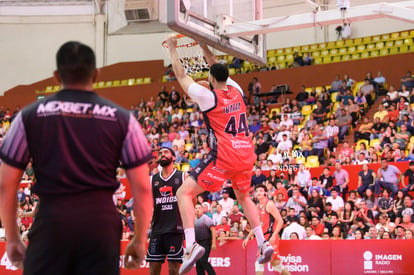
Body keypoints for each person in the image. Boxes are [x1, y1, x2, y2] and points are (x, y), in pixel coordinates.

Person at [0, 41, 153, 273]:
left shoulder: (28, 117)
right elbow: (142, 187)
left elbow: (5, 185)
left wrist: (12, 238)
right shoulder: (122, 119)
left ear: (55, 76)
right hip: (100, 226)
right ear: (96, 74)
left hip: (52, 221)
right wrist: (140, 239)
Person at [165, 35, 273, 274]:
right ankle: (262, 242)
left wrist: (172, 49)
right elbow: (215, 65)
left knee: (184, 193)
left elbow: (182, 76)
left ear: (211, 78)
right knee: (244, 198)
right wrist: (204, 45)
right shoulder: (237, 90)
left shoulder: (208, 96)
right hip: (246, 154)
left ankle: (191, 245)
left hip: (225, 156)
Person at [146, 147, 186, 275]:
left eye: (166, 152)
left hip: (175, 229)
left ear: (174, 157)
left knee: (174, 269)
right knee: (153, 269)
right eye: (160, 153)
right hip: (157, 229)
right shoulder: (153, 179)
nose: (162, 154)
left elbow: (192, 201)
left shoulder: (182, 176)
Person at [243, 184, 291, 275]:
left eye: (261, 191)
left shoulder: (269, 204)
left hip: (270, 238)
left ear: (265, 193)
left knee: (259, 263)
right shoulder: (257, 207)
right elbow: (256, 226)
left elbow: (280, 221)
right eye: (257, 191)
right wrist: (247, 238)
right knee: (277, 265)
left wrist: (274, 236)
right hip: (263, 239)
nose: (259, 192)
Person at [194, 204, 217, 275]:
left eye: (199, 208)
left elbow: (213, 229)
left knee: (203, 260)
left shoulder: (205, 218)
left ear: (202, 210)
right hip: (198, 243)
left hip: (206, 242)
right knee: (198, 263)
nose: (197, 209)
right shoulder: (194, 219)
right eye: (196, 208)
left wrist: (214, 243)